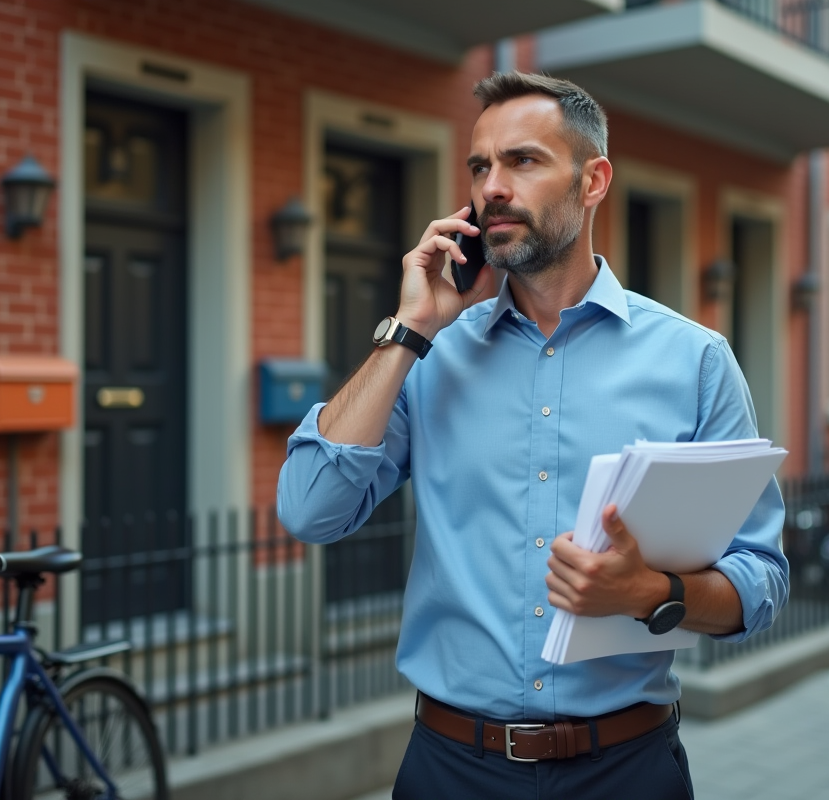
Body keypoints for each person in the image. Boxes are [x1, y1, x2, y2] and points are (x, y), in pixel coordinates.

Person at [277, 72, 788, 800]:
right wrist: (409, 332)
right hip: (450, 768)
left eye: (523, 161)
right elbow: (309, 510)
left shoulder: (695, 361)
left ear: (593, 181)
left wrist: (648, 591)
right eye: (480, 167)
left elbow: (763, 580)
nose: (492, 187)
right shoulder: (430, 357)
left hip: (626, 769)